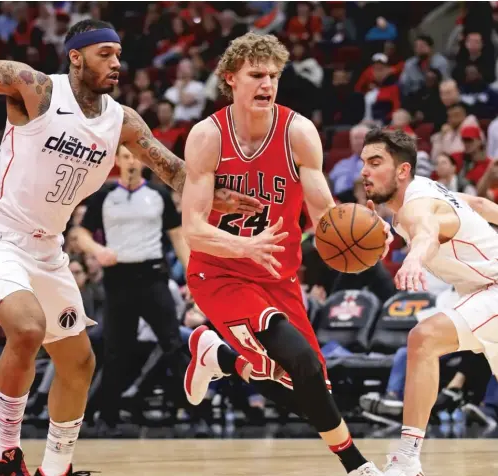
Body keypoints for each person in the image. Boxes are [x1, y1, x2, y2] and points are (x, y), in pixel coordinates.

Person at [0, 19, 260, 476]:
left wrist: (220, 195)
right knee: (28, 329)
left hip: (47, 249)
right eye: (104, 54)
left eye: (118, 53)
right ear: (75, 56)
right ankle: (7, 454)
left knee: (80, 360)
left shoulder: (122, 120)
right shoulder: (37, 90)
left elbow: (172, 169)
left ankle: (57, 468)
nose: (116, 63)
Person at [181, 32, 392, 476]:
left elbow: (325, 217)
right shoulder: (207, 136)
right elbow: (194, 230)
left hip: (278, 277)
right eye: (256, 75)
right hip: (219, 274)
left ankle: (216, 356)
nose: (267, 84)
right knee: (296, 358)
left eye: (274, 75)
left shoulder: (298, 132)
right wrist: (244, 246)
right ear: (230, 79)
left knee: (311, 383)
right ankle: (358, 467)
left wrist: (373, 233)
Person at [360, 128, 498, 475]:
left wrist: (413, 259)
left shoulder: (416, 205)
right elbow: (478, 204)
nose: (365, 171)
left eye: (375, 162)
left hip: (493, 288)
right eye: (364, 162)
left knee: (423, 338)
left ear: (402, 171)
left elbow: (426, 232)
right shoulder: (429, 190)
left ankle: (407, 459)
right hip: (481, 292)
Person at [74, 144, 191, 433]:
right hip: (118, 278)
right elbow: (80, 233)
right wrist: (97, 250)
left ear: (143, 162)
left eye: (136, 157)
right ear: (117, 160)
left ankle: (194, 413)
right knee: (116, 350)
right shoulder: (105, 195)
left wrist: (192, 277)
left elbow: (178, 238)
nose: (131, 162)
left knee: (173, 345)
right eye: (126, 156)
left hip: (152, 276)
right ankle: (107, 417)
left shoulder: (158, 194)